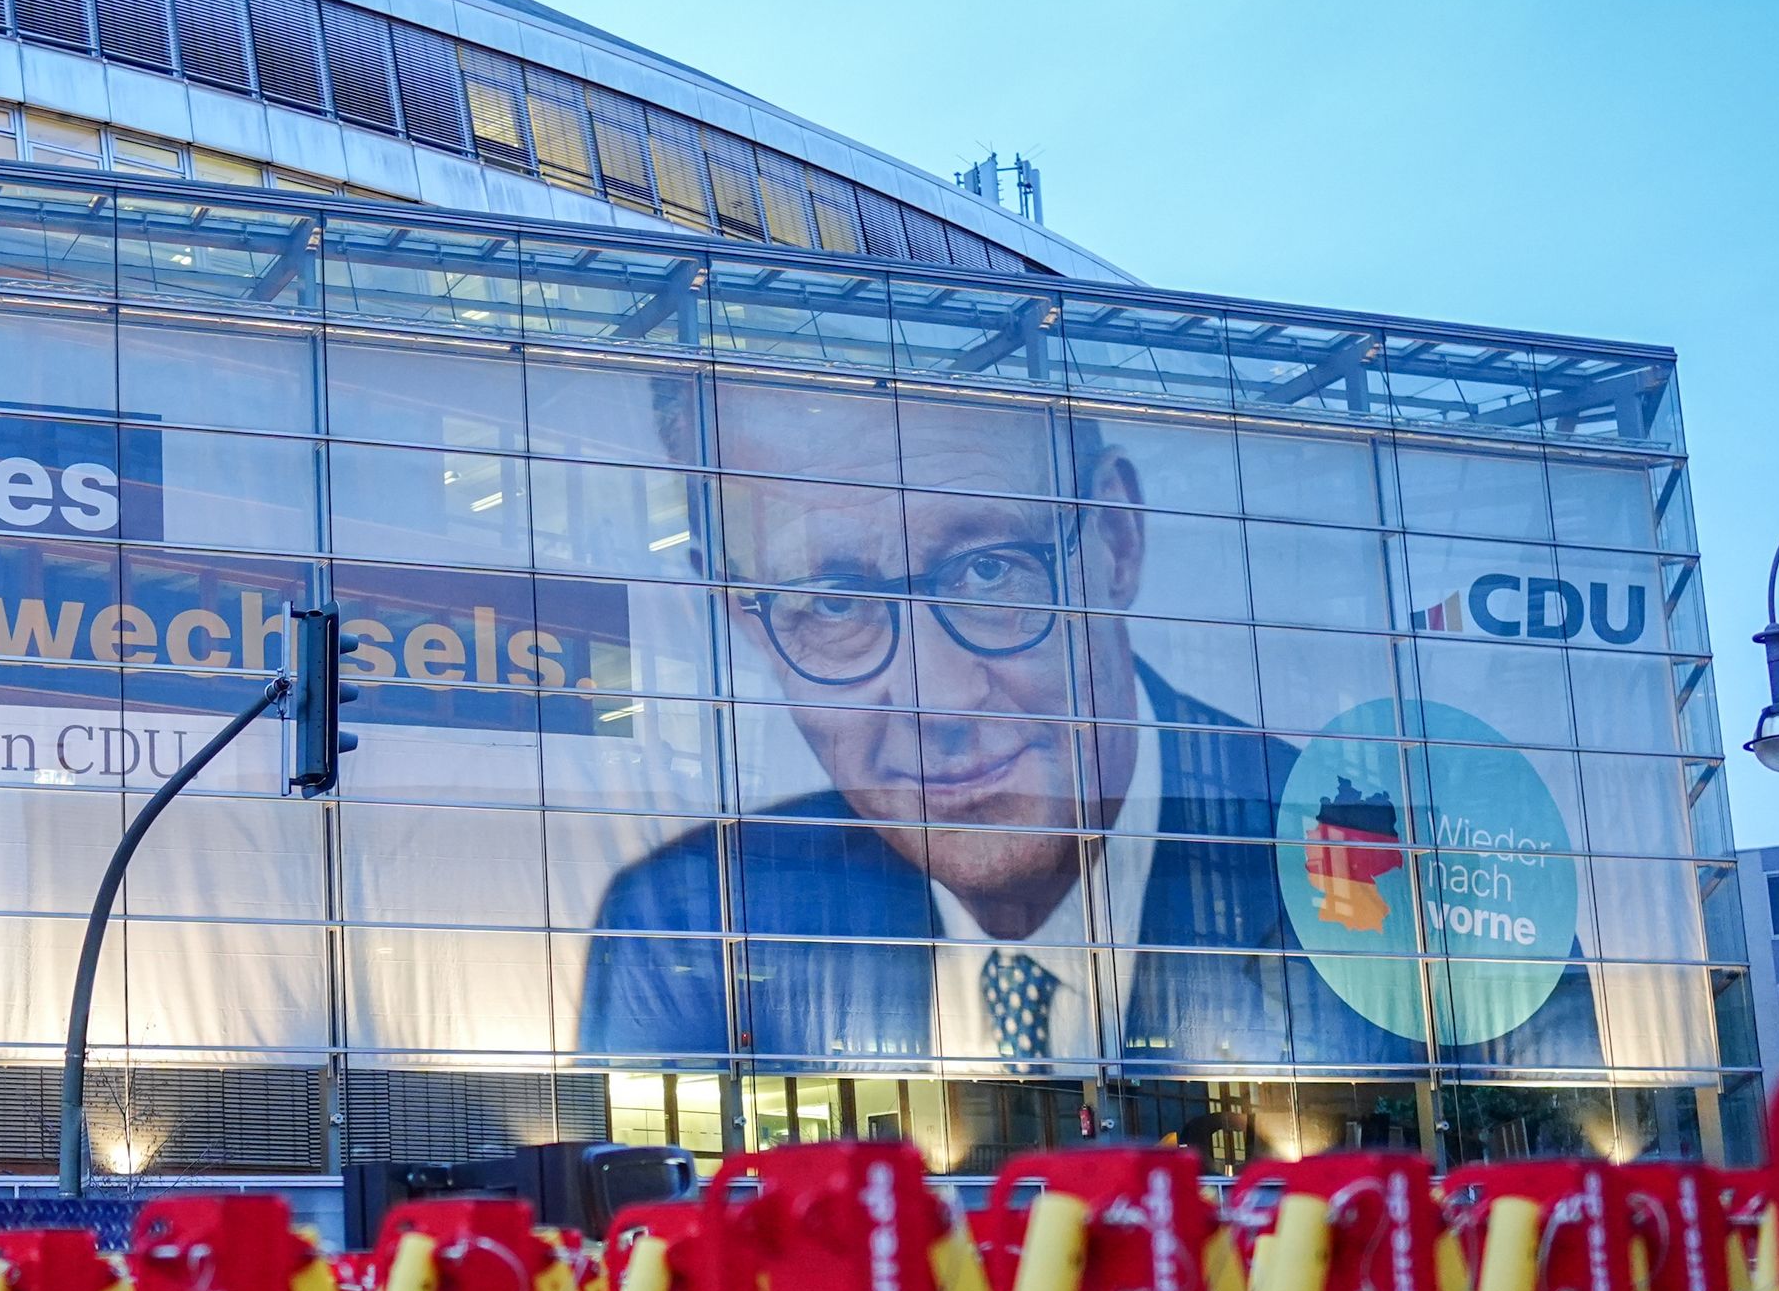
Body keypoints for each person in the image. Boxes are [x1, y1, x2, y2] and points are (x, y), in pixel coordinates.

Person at [578, 410, 1597, 1075]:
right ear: (747, 621)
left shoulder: (1426, 891)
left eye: (987, 574)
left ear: (1112, 541)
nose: (934, 697)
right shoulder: (685, 928)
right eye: (832, 601)